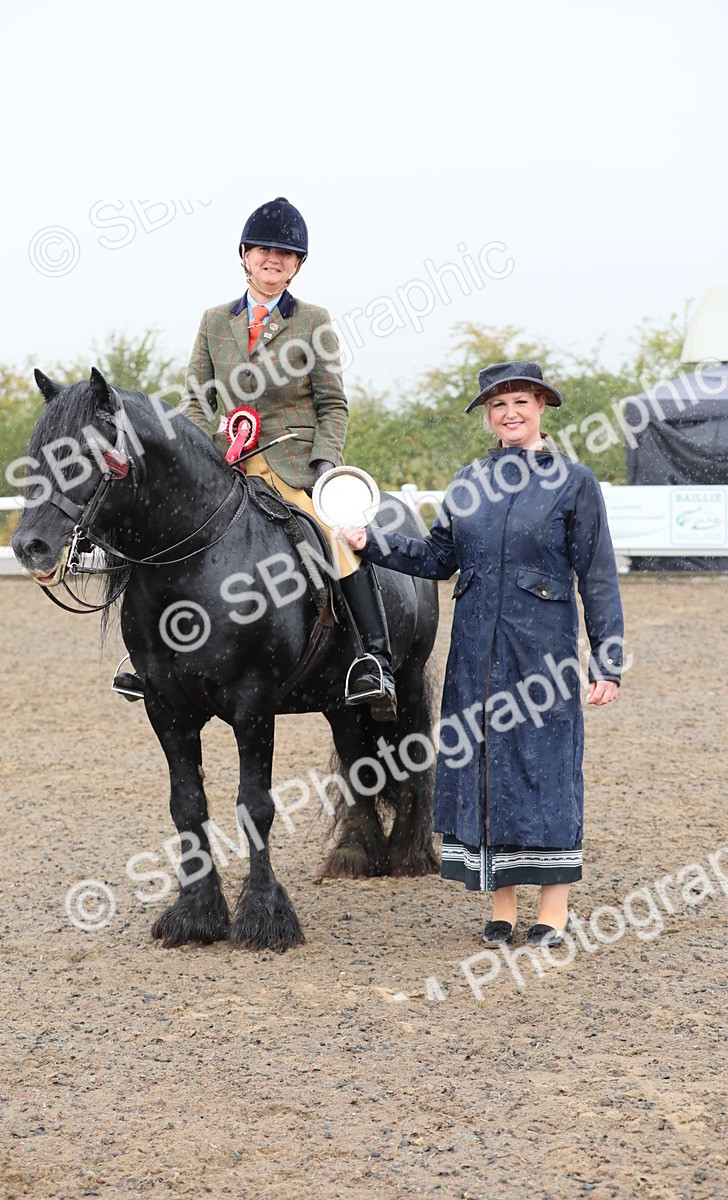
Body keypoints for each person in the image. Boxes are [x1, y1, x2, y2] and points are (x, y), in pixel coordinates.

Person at [339, 361, 624, 946]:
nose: (510, 414)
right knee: (486, 771)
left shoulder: (575, 482)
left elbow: (597, 577)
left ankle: (553, 912)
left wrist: (608, 661)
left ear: (542, 406)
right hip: (473, 655)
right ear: (487, 417)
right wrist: (374, 546)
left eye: (521, 402)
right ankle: (501, 909)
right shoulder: (469, 482)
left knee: (543, 771)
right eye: (498, 406)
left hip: (541, 656)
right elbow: (437, 559)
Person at [113, 197, 395, 718]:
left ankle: (373, 659)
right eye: (265, 249)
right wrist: (200, 454)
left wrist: (325, 465)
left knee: (338, 536)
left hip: (291, 463)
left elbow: (332, 403)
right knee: (160, 529)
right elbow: (198, 398)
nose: (275, 258)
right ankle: (148, 658)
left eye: (287, 253)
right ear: (244, 255)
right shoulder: (214, 320)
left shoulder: (314, 321)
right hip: (226, 463)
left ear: (299, 265)